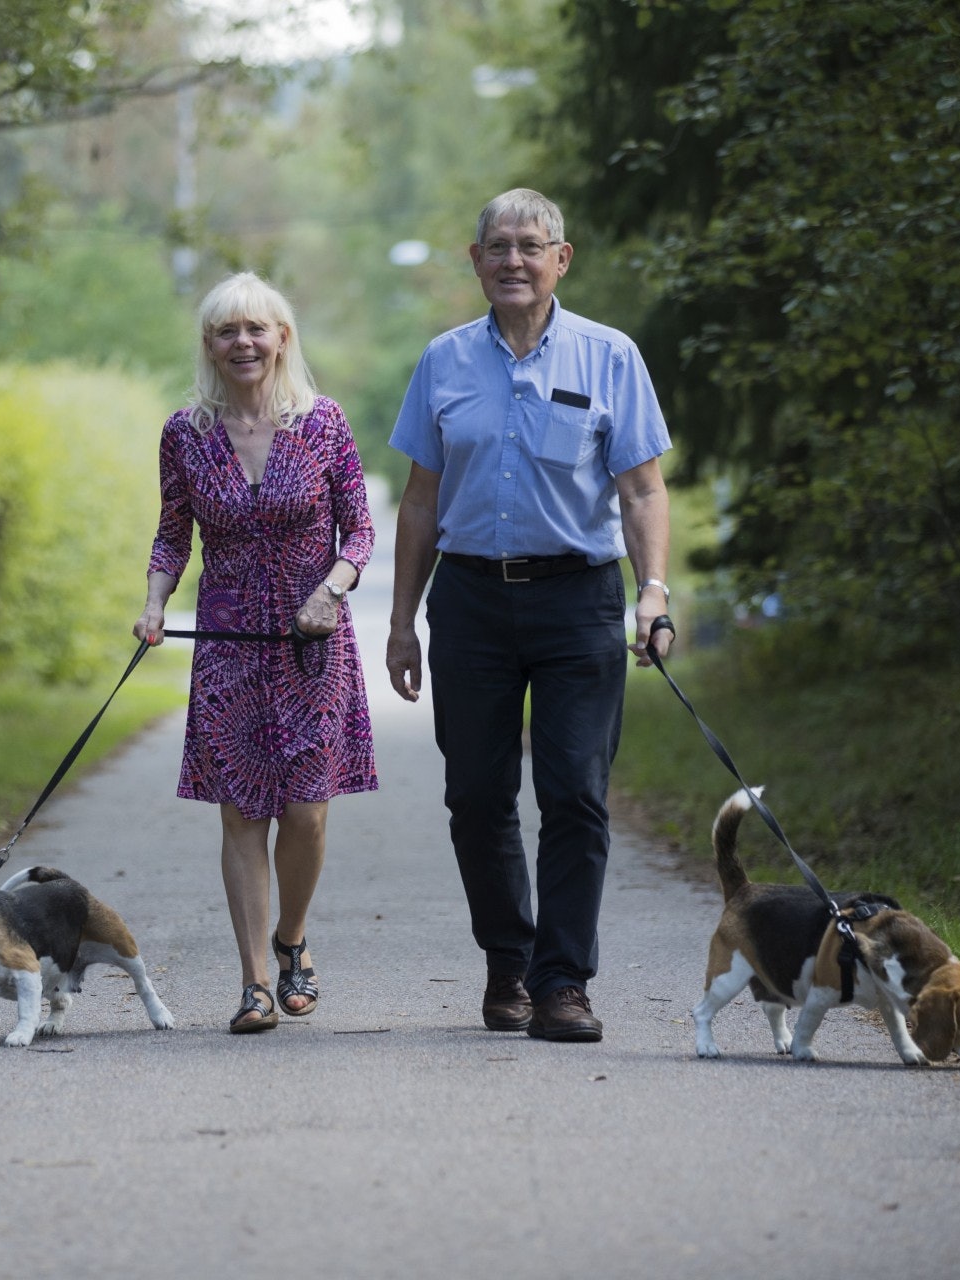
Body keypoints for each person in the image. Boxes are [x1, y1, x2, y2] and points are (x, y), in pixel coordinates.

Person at [384, 189, 674, 1043]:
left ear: (561, 259)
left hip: (578, 597)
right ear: (475, 262)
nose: (513, 259)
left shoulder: (610, 356)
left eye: (530, 246)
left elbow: (643, 488)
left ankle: (562, 983)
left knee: (575, 794)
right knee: (476, 796)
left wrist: (653, 590)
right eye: (497, 246)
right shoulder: (442, 361)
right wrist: (402, 620)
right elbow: (419, 500)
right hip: (470, 600)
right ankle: (508, 964)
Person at [134, 272, 377, 1034]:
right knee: (242, 813)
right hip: (229, 645)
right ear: (209, 345)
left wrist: (330, 590)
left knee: (305, 811)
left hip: (311, 644)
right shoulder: (186, 432)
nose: (242, 342)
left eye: (256, 329)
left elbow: (361, 532)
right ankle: (254, 983)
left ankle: (292, 940)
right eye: (226, 331)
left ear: (282, 339)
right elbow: (174, 531)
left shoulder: (325, 423)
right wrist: (151, 604)